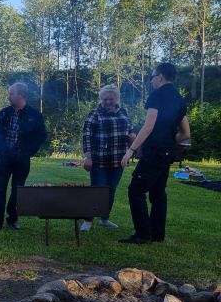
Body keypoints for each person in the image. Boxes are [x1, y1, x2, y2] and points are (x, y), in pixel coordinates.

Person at [119, 63, 190, 244]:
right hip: (167, 152)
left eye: (152, 76)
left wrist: (131, 150)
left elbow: (148, 126)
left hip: (153, 152)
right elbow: (185, 134)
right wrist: (168, 142)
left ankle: (143, 234)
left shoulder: (157, 96)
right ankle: (157, 234)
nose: (151, 80)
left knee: (135, 190)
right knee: (158, 193)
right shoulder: (179, 99)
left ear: (160, 77)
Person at [0, 82, 47, 231]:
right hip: (4, 157)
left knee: (18, 189)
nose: (9, 96)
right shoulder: (4, 112)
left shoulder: (35, 115)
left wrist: (30, 151)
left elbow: (41, 135)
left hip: (22, 158)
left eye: (11, 93)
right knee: (0, 189)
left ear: (21, 95)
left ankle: (12, 219)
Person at [80, 85, 136, 232]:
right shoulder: (94, 114)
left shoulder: (124, 112)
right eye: (105, 99)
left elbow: (130, 130)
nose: (107, 102)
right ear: (101, 99)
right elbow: (86, 136)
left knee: (111, 190)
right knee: (97, 190)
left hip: (119, 160)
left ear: (116, 99)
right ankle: (87, 220)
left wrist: (132, 136)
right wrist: (87, 157)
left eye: (110, 99)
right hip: (99, 160)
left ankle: (104, 219)